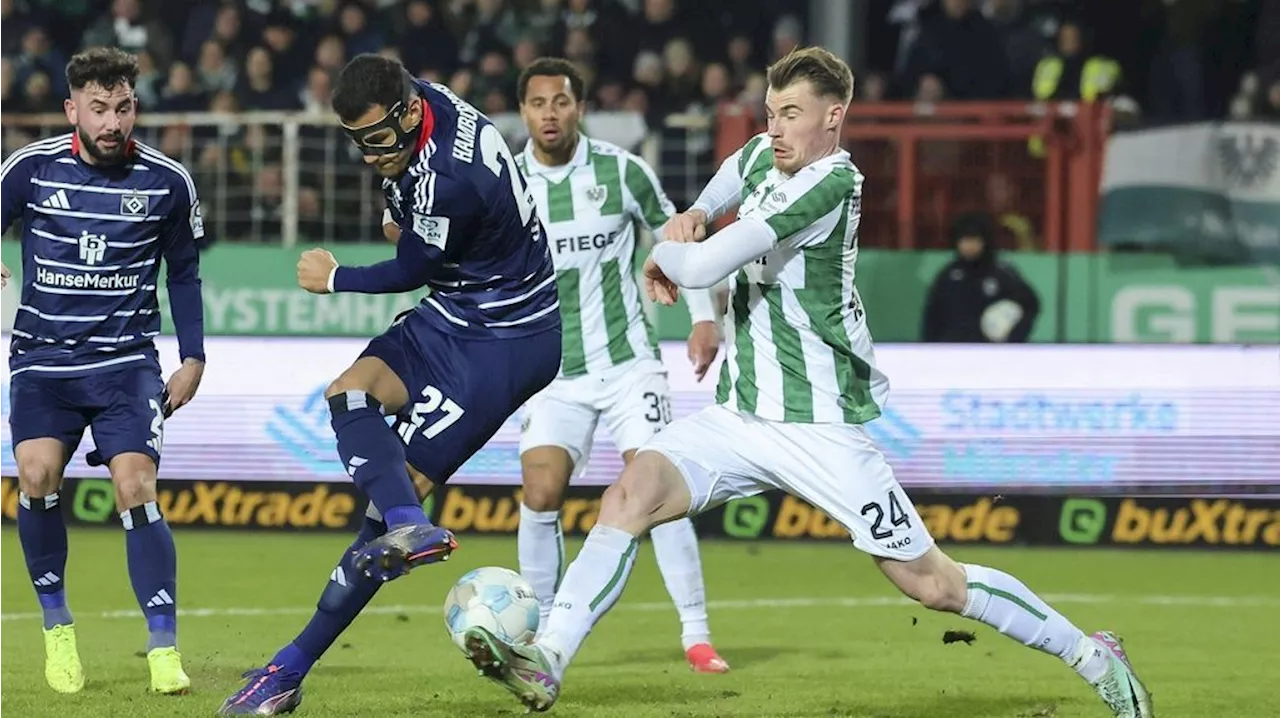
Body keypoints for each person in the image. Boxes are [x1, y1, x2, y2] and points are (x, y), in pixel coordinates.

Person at [457, 47, 1154, 718]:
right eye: (770, 109)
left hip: (817, 426)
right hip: (739, 415)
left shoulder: (831, 183)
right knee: (629, 495)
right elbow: (737, 167)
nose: (775, 126)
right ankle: (547, 656)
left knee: (934, 584)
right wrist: (697, 210)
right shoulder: (770, 151)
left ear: (834, 116)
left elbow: (701, 268)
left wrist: (666, 250)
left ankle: (1095, 656)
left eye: (791, 112)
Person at [219, 53, 562, 715]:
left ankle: (287, 672)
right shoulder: (421, 103)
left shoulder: (449, 180)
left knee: (377, 526)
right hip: (460, 311)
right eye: (359, 142)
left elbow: (410, 265)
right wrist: (398, 206)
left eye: (379, 139)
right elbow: (409, 220)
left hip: (504, 342)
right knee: (349, 392)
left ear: (408, 112)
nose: (372, 154)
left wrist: (336, 277)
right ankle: (412, 527)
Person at [0, 46, 206, 696]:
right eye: (99, 108)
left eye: (122, 107)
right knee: (35, 477)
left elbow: (186, 273)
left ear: (134, 106)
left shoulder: (167, 181)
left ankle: (163, 648)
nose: (113, 121)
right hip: (42, 361)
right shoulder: (29, 170)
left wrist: (194, 356)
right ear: (72, 110)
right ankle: (58, 630)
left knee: (135, 485)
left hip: (126, 366)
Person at [513, 57, 727, 673]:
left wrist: (702, 318)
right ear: (523, 111)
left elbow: (674, 241)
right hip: (551, 370)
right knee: (541, 489)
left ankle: (697, 633)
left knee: (658, 486)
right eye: (537, 103)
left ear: (579, 107)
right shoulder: (507, 184)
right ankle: (544, 632)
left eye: (561, 101)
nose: (549, 113)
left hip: (629, 363)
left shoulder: (621, 170)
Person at [921, 212, 1041, 343]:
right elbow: (932, 317)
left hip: (991, 354)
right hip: (953, 351)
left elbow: (1030, 305)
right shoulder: (948, 276)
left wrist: (1014, 339)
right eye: (964, 241)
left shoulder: (1001, 274)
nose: (969, 246)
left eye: (974, 240)